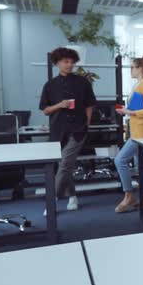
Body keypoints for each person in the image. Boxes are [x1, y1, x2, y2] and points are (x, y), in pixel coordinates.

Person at [39, 47, 96, 213]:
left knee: (64, 165)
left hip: (78, 130)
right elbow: (45, 110)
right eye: (66, 62)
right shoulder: (50, 85)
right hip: (58, 130)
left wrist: (87, 124)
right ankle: (72, 196)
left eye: (72, 62)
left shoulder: (82, 82)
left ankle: (51, 201)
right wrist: (59, 105)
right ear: (57, 63)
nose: (69, 65)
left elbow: (89, 105)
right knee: (65, 166)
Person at [114, 56, 143, 213]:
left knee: (120, 160)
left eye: (133, 67)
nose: (131, 70)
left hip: (142, 133)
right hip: (137, 130)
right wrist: (126, 110)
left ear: (141, 69)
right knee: (142, 165)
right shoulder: (137, 85)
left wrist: (128, 111)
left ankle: (129, 195)